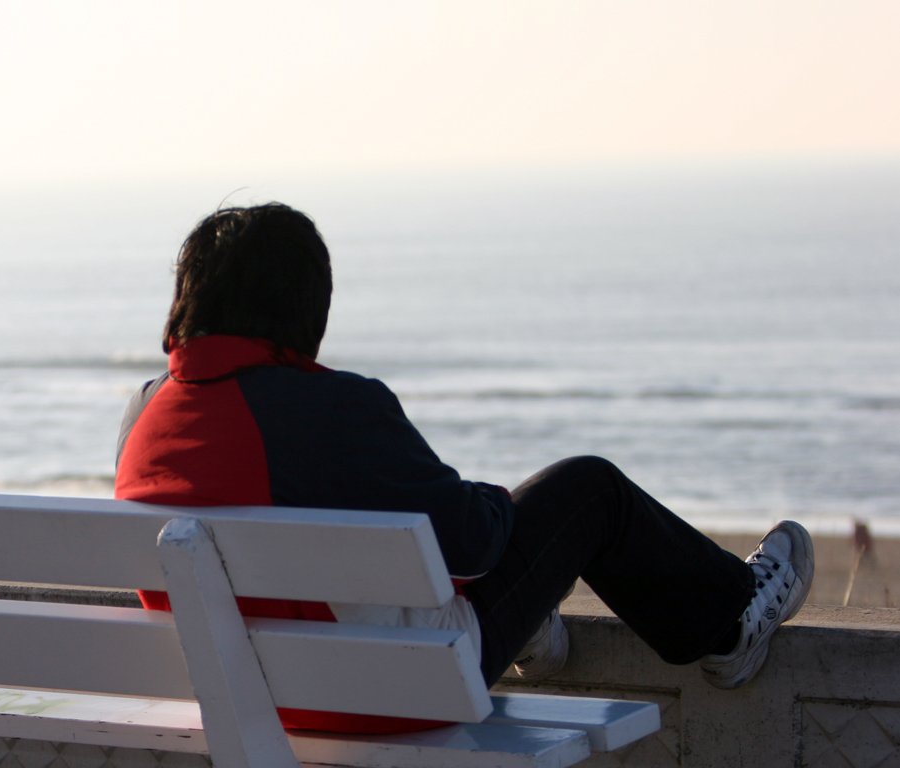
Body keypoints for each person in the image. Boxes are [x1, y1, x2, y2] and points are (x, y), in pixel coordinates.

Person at [114, 202, 813, 733]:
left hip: (242, 706)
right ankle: (730, 625)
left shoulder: (143, 417)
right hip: (391, 691)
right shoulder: (328, 408)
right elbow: (474, 543)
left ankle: (535, 627)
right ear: (303, 309)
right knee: (586, 489)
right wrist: (488, 501)